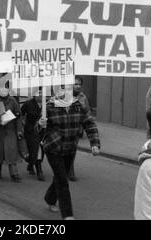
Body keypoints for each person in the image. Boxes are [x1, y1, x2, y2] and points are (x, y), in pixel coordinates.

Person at [38, 85, 100, 220]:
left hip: (70, 147)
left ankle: (50, 198)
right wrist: (41, 124)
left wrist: (94, 144)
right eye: (61, 89)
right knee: (62, 180)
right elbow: (38, 130)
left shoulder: (78, 106)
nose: (64, 92)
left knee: (62, 177)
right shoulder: (49, 106)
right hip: (53, 148)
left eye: (67, 89)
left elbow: (89, 124)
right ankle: (67, 214)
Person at [0, 82, 27, 183]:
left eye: (6, 88)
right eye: (1, 88)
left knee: (11, 151)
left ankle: (14, 173)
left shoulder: (12, 100)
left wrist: (19, 130)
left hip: (10, 129)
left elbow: (18, 116)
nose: (4, 90)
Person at [67, 76, 92, 182]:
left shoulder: (83, 97)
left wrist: (85, 126)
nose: (77, 86)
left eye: (79, 84)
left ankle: (70, 171)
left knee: (72, 150)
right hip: (64, 129)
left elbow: (87, 113)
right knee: (64, 151)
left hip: (76, 129)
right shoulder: (64, 96)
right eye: (75, 84)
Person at [21, 88, 47, 181]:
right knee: (35, 148)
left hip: (43, 131)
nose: (40, 95)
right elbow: (21, 115)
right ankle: (39, 170)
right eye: (38, 93)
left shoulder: (47, 104)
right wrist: (23, 125)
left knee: (41, 149)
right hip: (31, 130)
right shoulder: (28, 104)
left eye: (42, 93)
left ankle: (31, 164)